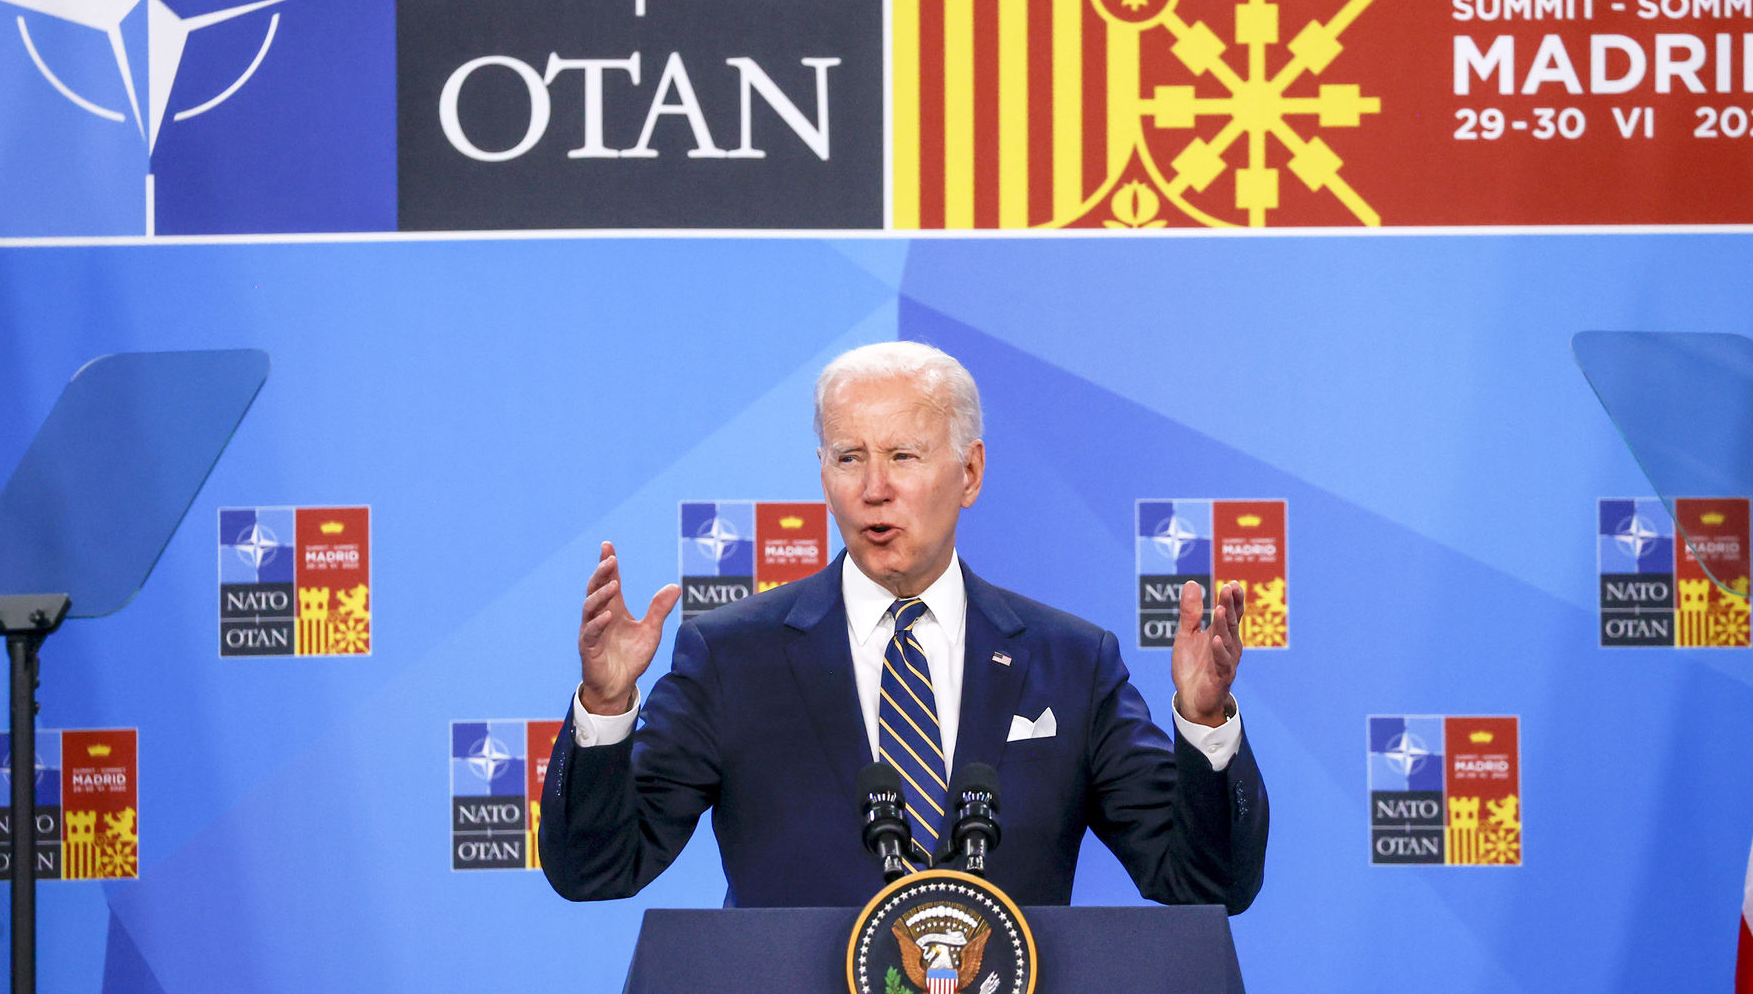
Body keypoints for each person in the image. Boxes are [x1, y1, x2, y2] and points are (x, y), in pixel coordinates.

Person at [538, 342, 1268, 909]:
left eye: (902, 456)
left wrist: (1205, 724)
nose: (874, 488)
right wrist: (606, 706)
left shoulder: (1072, 663)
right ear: (822, 472)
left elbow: (1206, 883)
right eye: (849, 458)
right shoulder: (731, 657)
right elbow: (597, 870)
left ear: (970, 473)